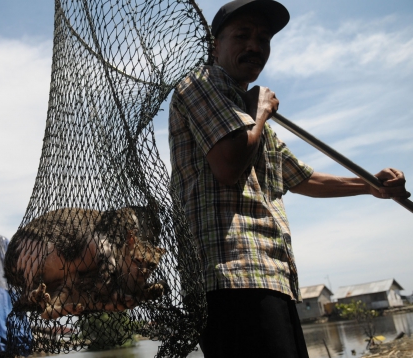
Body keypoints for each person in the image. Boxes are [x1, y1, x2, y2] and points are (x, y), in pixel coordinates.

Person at [168, 0, 411, 357]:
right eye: (243, 35)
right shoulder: (199, 85)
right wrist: (260, 111)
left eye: (264, 38)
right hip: (229, 277)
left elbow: (301, 178)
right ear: (215, 46)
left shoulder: (247, 110)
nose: (255, 46)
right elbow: (228, 165)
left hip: (270, 275)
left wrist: (371, 187)